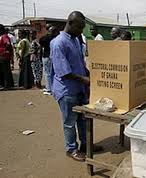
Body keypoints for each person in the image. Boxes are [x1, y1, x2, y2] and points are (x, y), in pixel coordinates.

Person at [50, 11, 102, 162]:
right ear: (70, 23)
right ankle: (71, 149)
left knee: (83, 119)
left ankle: (85, 145)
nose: (81, 31)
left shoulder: (75, 40)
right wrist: (85, 80)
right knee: (69, 122)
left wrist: (90, 73)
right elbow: (64, 72)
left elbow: (80, 62)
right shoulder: (58, 43)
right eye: (80, 27)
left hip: (79, 88)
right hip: (67, 90)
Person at [39, 26, 59, 95]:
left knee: (47, 73)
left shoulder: (48, 38)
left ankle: (49, 89)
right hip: (52, 57)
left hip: (47, 57)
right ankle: (51, 87)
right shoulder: (56, 39)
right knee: (52, 73)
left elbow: (41, 40)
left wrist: (47, 34)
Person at [0, 24, 14, 90]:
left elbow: (8, 44)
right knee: (3, 71)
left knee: (5, 71)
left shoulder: (4, 36)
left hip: (4, 56)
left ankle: (7, 85)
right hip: (3, 56)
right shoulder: (2, 36)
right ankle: (5, 84)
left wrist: (4, 51)